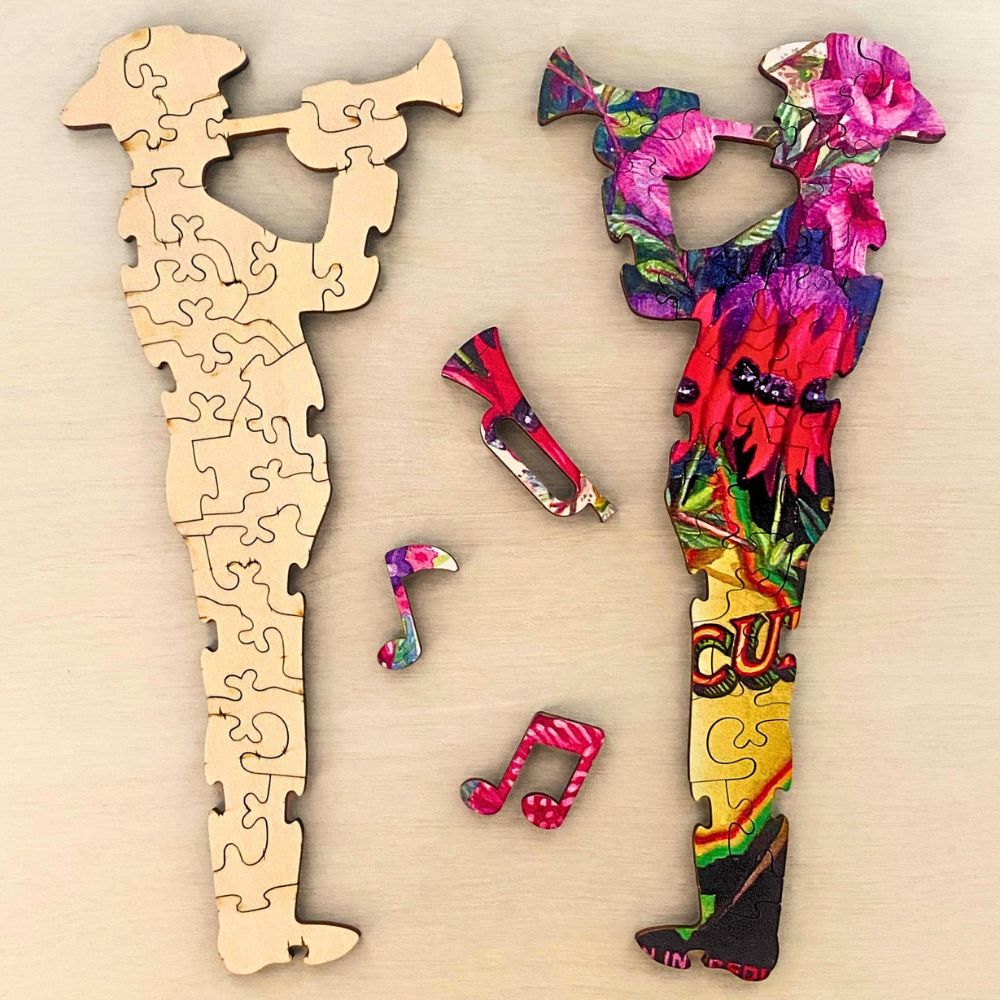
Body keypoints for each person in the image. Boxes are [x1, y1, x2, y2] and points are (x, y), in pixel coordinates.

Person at [539, 32, 944, 980]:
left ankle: (741, 920)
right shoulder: (813, 234)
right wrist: (641, 171)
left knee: (739, 686)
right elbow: (671, 290)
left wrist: (640, 172)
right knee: (733, 682)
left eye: (797, 110)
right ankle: (736, 918)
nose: (778, 126)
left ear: (835, 127)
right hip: (746, 493)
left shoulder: (823, 247)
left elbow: (666, 290)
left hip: (757, 497)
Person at [62, 24, 461, 974]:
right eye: (205, 103)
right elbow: (335, 279)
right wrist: (361, 165)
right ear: (162, 123)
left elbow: (331, 280)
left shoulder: (182, 219)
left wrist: (361, 164)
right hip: (239, 488)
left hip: (252, 483)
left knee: (260, 700)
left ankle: (263, 914)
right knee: (256, 706)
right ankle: (254, 919)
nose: (222, 116)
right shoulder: (182, 229)